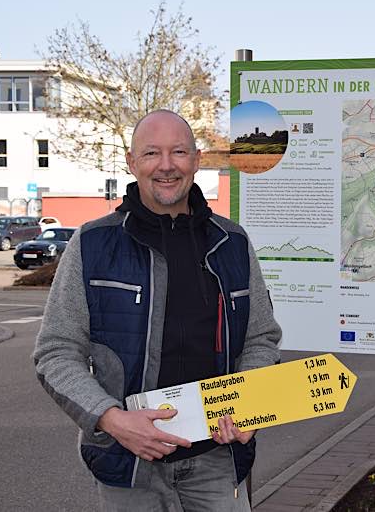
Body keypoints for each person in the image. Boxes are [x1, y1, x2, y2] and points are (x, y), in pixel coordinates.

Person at [33, 110, 282, 511]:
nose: (166, 166)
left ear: (196, 160)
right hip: (130, 464)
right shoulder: (93, 243)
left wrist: (248, 404)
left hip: (216, 461)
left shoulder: (232, 243)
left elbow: (260, 338)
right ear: (132, 163)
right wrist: (111, 419)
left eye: (178, 152)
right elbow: (56, 352)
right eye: (151, 153)